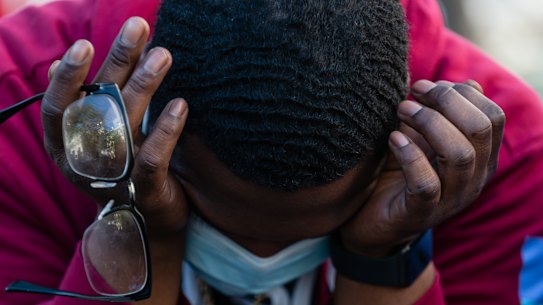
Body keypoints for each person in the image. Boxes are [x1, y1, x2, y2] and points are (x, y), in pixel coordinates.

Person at [0, 1, 542, 305]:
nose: (259, 257)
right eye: (215, 222)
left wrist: (384, 261)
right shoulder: (15, 110)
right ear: (149, 132)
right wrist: (140, 234)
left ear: (390, 159)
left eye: (307, 233)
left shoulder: (510, 162)